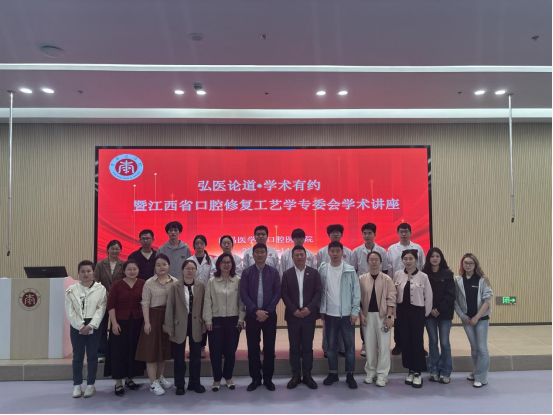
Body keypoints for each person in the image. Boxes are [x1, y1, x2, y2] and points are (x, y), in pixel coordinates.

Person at [240, 243, 281, 392]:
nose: (260, 255)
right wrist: (256, 311)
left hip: (270, 316)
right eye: (257, 252)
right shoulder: (246, 272)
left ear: (266, 254)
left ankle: (268, 379)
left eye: (262, 252)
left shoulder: (274, 272)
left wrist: (267, 312)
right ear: (253, 255)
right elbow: (243, 294)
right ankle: (255, 378)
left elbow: (277, 293)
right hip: (252, 316)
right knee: (253, 348)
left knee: (269, 348)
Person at [135, 254, 178, 397]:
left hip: (168, 318)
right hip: (153, 318)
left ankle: (160, 377)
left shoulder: (175, 282)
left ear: (169, 265)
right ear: (154, 267)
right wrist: (147, 322)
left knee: (163, 351)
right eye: (158, 265)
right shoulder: (149, 283)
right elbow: (145, 303)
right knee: (152, 352)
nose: (161, 267)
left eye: (164, 264)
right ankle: (153, 383)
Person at [320, 241, 360, 390]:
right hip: (330, 315)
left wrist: (354, 312)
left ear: (343, 253)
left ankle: (350, 374)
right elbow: (320, 291)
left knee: (349, 347)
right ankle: (333, 373)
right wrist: (322, 309)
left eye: (338, 251)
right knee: (331, 347)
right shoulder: (323, 269)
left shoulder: (349, 270)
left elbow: (356, 293)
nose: (335, 253)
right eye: (333, 251)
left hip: (347, 315)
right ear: (328, 252)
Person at [204, 254, 246, 392]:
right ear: (219, 265)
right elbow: (207, 301)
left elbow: (241, 301)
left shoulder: (238, 280)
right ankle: (217, 378)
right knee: (215, 351)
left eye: (229, 262)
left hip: (233, 319)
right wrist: (208, 320)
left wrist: (241, 318)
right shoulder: (212, 281)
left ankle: (228, 377)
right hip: (216, 319)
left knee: (230, 351)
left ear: (232, 264)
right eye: (223, 262)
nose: (226, 265)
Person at [65, 260, 107, 399]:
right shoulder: (71, 289)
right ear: (78, 273)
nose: (86, 274)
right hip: (77, 324)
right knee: (77, 355)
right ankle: (77, 384)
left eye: (88, 271)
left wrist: (91, 325)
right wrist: (80, 325)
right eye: (82, 271)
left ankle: (90, 384)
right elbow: (70, 310)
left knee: (92, 355)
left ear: (93, 272)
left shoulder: (100, 289)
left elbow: (101, 309)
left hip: (94, 324)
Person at [281, 245, 321, 390]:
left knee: (308, 347)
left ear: (306, 256)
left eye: (301, 254)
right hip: (293, 317)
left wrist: (309, 308)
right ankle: (296, 376)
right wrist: (293, 310)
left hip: (309, 316)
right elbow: (284, 294)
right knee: (294, 347)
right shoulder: (287, 274)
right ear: (292, 257)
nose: (299, 257)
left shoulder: (314, 273)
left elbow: (318, 292)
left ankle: (308, 376)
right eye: (296, 255)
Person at [164, 260, 207, 396]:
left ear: (196, 270)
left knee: (196, 356)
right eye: (187, 268)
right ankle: (180, 384)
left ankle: (195, 382)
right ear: (182, 270)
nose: (190, 271)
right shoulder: (175, 286)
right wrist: (169, 326)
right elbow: (170, 306)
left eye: (193, 268)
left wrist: (204, 324)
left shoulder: (201, 285)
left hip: (196, 324)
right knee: (179, 357)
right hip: (179, 324)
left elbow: (204, 306)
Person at [104, 260, 146, 397]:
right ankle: (118, 382)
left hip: (138, 322)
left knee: (133, 351)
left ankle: (129, 379)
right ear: (124, 271)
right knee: (119, 352)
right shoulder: (117, 285)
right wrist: (114, 323)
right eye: (129, 269)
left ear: (138, 270)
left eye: (135, 269)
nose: (132, 272)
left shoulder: (143, 283)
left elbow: (145, 303)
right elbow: (111, 305)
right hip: (120, 323)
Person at [393, 250, 433, 389]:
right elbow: (394, 295)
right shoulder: (398, 274)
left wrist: (424, 314)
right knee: (405, 341)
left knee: (417, 341)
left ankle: (418, 372)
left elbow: (428, 296)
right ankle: (410, 370)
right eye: (405, 258)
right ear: (402, 260)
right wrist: (394, 313)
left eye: (411, 258)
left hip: (417, 312)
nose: (408, 261)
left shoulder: (423, 276)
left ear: (416, 260)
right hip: (402, 313)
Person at [454, 253, 494, 389]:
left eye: (471, 263)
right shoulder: (458, 280)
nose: (468, 265)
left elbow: (487, 301)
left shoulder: (482, 280)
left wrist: (477, 317)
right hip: (467, 320)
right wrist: (462, 316)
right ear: (462, 264)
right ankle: (477, 371)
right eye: (466, 263)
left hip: (481, 319)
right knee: (474, 348)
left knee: (482, 348)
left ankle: (481, 377)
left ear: (475, 264)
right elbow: (455, 301)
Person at [352, 223, 391, 357]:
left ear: (375, 234)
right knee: (364, 315)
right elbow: (354, 270)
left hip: (379, 285)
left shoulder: (382, 251)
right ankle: (365, 343)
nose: (367, 236)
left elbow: (385, 269)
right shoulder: (356, 251)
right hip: (363, 286)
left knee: (379, 315)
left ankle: (378, 343)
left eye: (370, 233)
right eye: (365, 233)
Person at [387, 223, 426, 356]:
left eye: (406, 231)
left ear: (410, 232)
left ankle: (418, 346)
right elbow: (390, 269)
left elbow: (422, 266)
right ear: (397, 233)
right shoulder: (392, 249)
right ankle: (399, 344)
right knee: (399, 318)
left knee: (417, 320)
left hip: (415, 285)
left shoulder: (418, 248)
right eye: (401, 231)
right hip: (398, 285)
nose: (403, 234)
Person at [359, 252, 396, 388]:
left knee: (384, 346)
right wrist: (361, 315)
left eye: (376, 260)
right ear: (367, 262)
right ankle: (371, 372)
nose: (374, 262)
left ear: (380, 262)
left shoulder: (387, 279)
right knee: (369, 346)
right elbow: (357, 299)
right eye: (371, 260)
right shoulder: (361, 279)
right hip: (367, 316)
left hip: (383, 317)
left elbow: (391, 299)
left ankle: (382, 375)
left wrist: (389, 317)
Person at [318, 224, 353, 357]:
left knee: (344, 323)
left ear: (342, 235)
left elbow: (352, 271)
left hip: (344, 292)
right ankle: (328, 349)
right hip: (328, 291)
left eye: (338, 232)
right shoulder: (322, 252)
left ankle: (342, 348)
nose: (336, 234)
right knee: (328, 325)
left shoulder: (348, 252)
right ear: (329, 235)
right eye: (333, 232)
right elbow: (319, 273)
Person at [423, 248, 456, 385]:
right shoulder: (424, 274)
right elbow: (423, 294)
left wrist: (439, 309)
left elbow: (450, 295)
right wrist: (430, 309)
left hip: (445, 313)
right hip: (429, 313)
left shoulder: (448, 274)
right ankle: (433, 370)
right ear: (429, 259)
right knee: (432, 342)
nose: (435, 258)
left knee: (444, 343)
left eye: (437, 256)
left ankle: (445, 372)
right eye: (432, 256)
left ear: (441, 258)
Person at [94, 240, 125, 363]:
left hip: (118, 301)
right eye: (112, 248)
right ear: (107, 250)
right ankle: (101, 352)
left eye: (117, 249)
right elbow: (96, 281)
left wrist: (115, 295)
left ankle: (114, 351)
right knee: (101, 327)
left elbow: (125, 281)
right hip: (102, 300)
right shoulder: (100, 264)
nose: (114, 251)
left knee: (116, 326)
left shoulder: (123, 264)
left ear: (120, 250)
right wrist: (107, 294)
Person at [187, 235, 216, 358]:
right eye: (197, 243)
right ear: (194, 245)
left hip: (206, 294)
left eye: (201, 243)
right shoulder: (189, 260)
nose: (199, 246)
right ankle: (193, 348)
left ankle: (202, 348)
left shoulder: (211, 260)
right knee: (192, 322)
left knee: (205, 320)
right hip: (191, 294)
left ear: (205, 245)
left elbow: (213, 276)